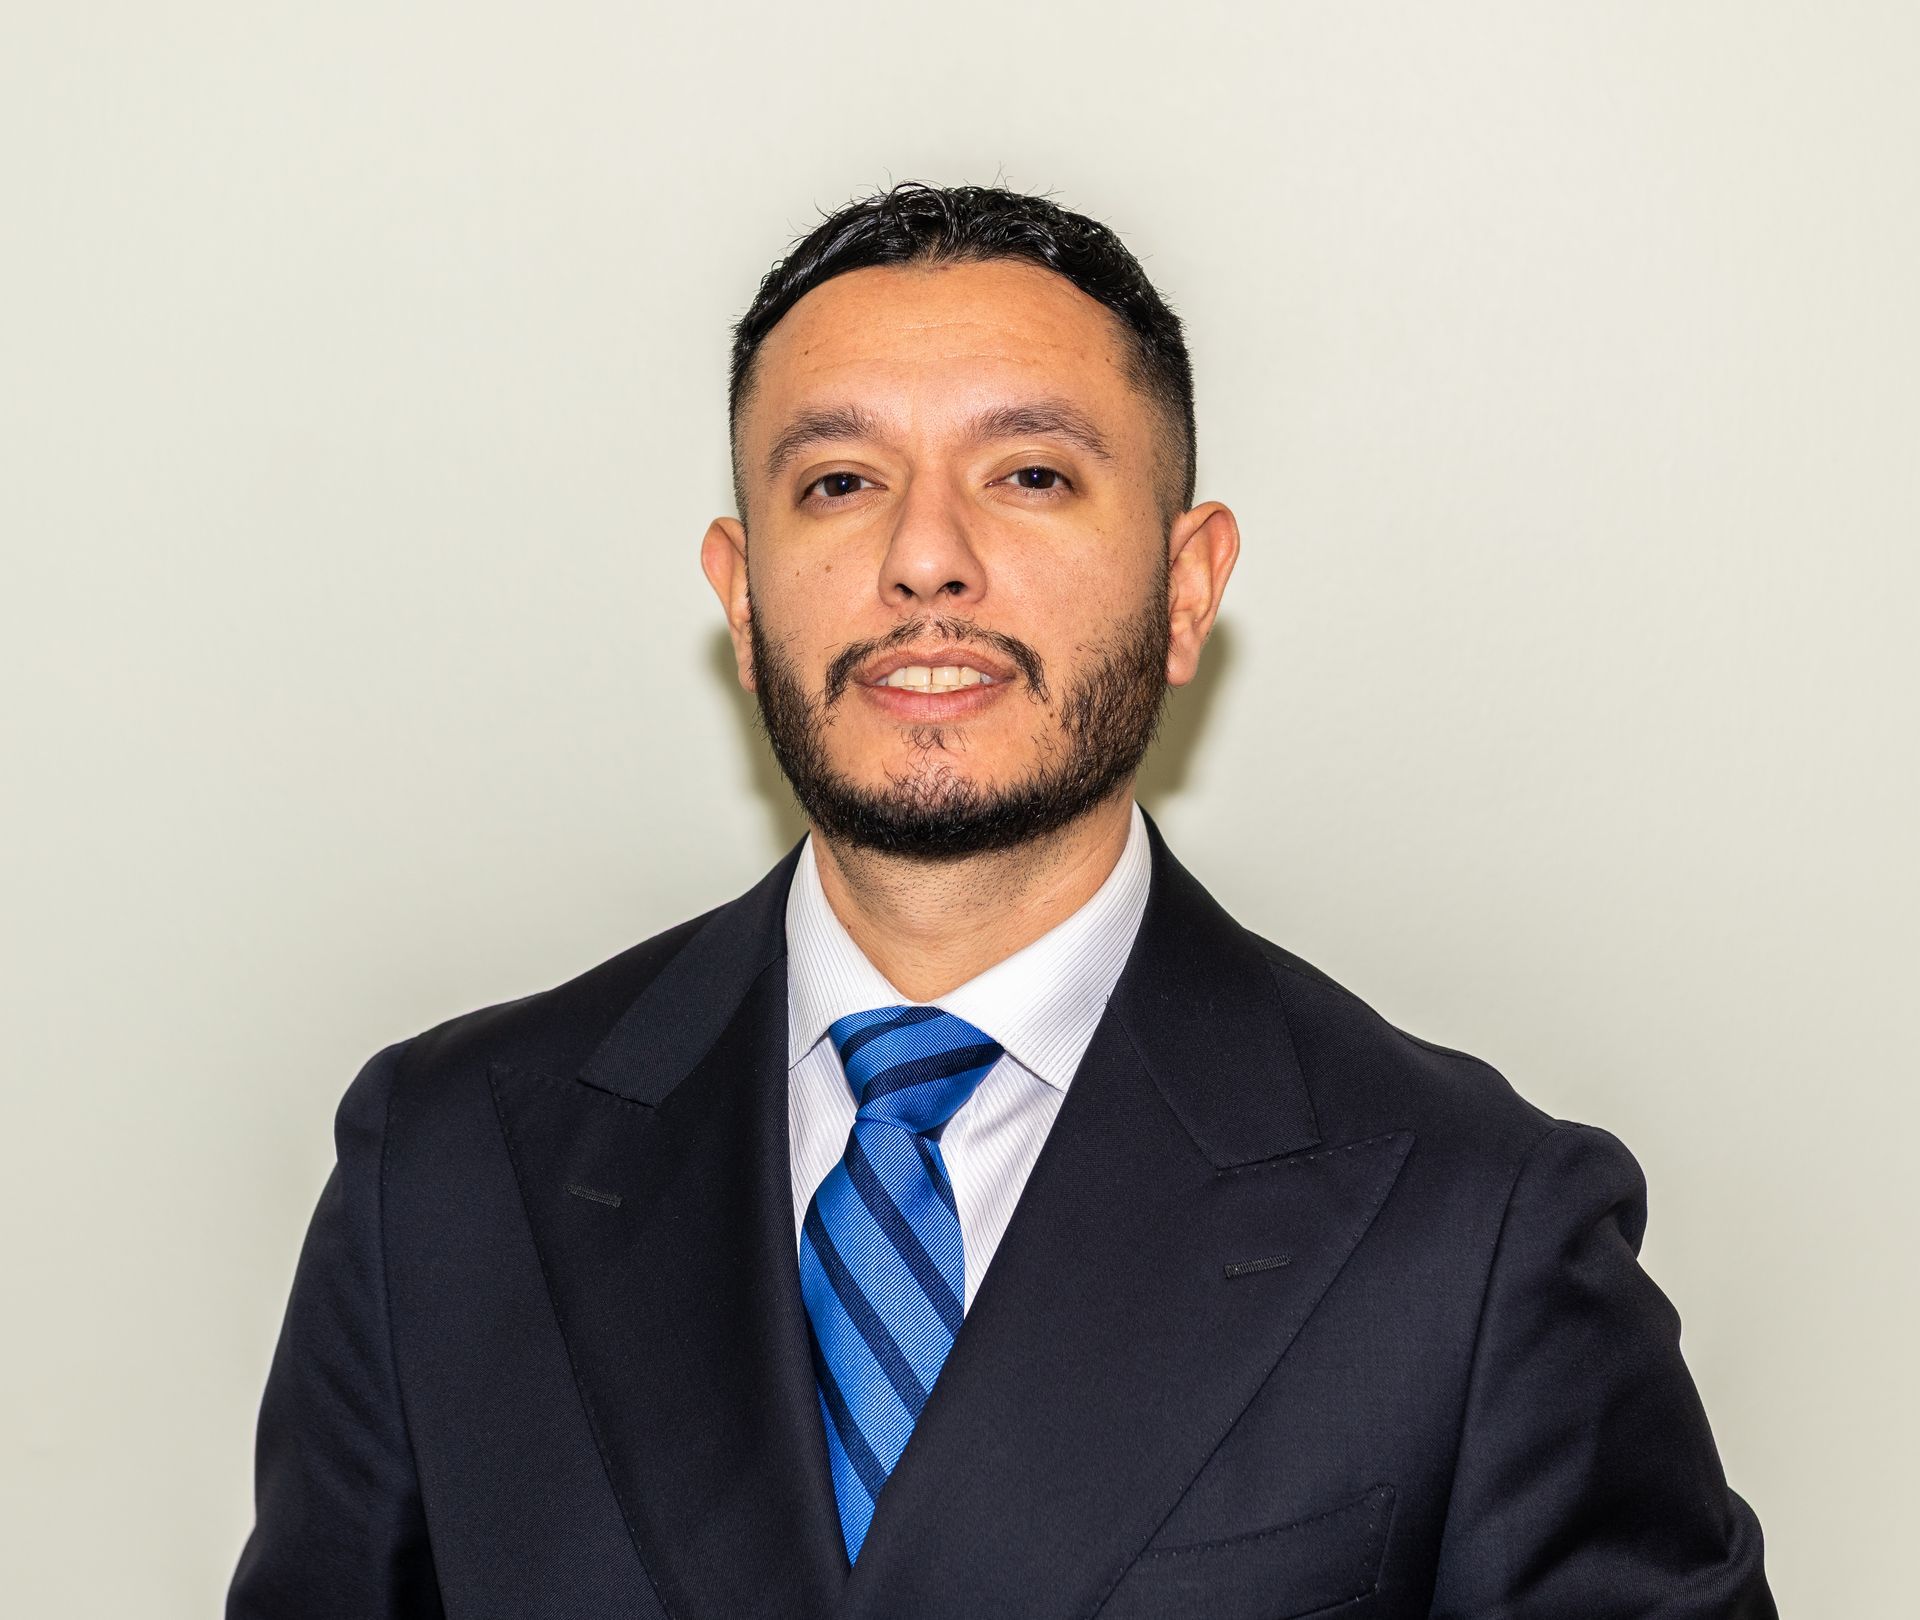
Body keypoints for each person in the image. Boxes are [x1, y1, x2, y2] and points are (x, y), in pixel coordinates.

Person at [228, 182, 1775, 1619]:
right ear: (741, 591)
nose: (923, 557)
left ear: (1186, 590)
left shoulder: (1479, 1233)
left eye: (1029, 474)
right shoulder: (439, 1174)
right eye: (839, 482)